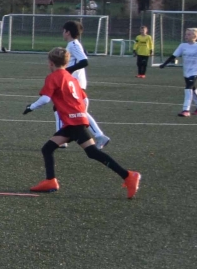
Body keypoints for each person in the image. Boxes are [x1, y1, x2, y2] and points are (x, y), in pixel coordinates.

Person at [26, 47, 140, 197]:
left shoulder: (53, 77)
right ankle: (50, 181)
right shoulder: (71, 78)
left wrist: (31, 107)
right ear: (67, 63)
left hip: (73, 123)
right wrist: (80, 113)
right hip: (74, 121)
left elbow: (46, 99)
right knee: (48, 149)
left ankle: (128, 175)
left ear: (51, 63)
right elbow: (85, 99)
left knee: (92, 152)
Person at [59, 20, 109, 147]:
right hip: (72, 83)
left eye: (63, 30)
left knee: (78, 112)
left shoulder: (74, 45)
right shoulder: (73, 45)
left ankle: (100, 136)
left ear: (67, 32)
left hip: (74, 84)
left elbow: (84, 61)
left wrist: (68, 71)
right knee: (60, 109)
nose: (62, 33)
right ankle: (61, 139)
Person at [159, 27, 197, 117]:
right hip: (186, 71)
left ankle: (186, 110)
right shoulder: (182, 46)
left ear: (195, 36)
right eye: (186, 34)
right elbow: (173, 56)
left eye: (188, 34)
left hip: (195, 71)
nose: (186, 36)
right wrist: (164, 64)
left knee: (188, 88)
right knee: (192, 88)